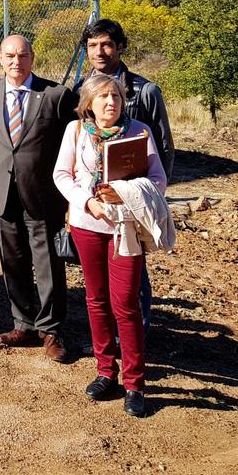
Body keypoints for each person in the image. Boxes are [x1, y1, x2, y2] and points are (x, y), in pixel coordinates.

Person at [53, 72, 167, 418]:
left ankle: (135, 382)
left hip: (124, 228)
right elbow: (62, 175)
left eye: (116, 97)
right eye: (103, 97)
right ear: (89, 102)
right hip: (87, 225)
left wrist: (127, 194)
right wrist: (87, 202)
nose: (111, 103)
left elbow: (158, 179)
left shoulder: (139, 132)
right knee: (95, 298)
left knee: (127, 304)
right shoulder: (75, 132)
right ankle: (106, 372)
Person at [0, 34, 79, 361]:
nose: (16, 62)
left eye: (22, 56)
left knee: (48, 264)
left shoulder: (55, 96)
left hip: (43, 197)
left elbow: (75, 143)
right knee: (13, 261)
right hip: (4, 195)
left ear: (32, 58)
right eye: (9, 56)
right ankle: (22, 323)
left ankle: (51, 331)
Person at [75, 18, 174, 327]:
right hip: (95, 207)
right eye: (92, 46)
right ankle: (107, 336)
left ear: (120, 47)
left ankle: (133, 332)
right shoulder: (80, 89)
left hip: (132, 202)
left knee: (133, 272)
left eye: (106, 44)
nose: (99, 51)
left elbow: (164, 147)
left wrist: (151, 196)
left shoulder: (145, 92)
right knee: (99, 279)